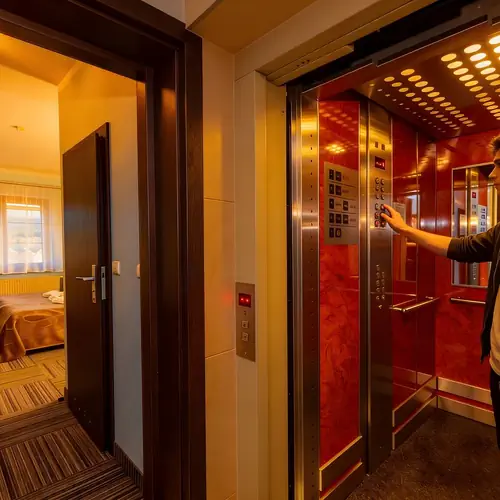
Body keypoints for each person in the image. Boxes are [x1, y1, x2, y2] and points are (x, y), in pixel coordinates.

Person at [381, 134, 500, 449]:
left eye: (499, 165)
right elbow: (460, 247)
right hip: (498, 364)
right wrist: (405, 230)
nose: (492, 174)